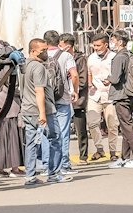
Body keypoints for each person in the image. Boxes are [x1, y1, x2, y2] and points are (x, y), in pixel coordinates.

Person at [107, 29, 133, 168]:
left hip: (121, 95)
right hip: (128, 94)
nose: (111, 43)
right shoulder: (128, 55)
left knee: (127, 127)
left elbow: (116, 78)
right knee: (126, 127)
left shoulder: (119, 57)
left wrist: (108, 79)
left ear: (119, 42)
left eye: (113, 40)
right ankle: (124, 158)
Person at [43, 29, 78, 181]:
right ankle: (63, 164)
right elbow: (74, 75)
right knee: (62, 133)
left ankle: (47, 165)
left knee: (46, 133)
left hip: (45, 99)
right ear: (59, 41)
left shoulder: (40, 56)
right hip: (62, 98)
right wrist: (74, 91)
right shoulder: (66, 55)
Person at [19, 38, 54, 187]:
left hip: (26, 108)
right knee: (55, 139)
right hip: (36, 110)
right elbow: (39, 91)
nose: (46, 52)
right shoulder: (38, 68)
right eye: (42, 50)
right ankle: (55, 173)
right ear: (33, 51)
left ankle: (30, 176)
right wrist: (43, 114)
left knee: (31, 144)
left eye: (46, 49)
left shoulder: (23, 65)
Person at [86, 32, 119, 162]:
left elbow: (118, 75)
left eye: (99, 45)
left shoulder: (114, 57)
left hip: (110, 94)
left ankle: (113, 151)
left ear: (106, 45)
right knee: (92, 123)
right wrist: (89, 82)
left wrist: (111, 81)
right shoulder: (91, 58)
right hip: (95, 94)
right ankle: (99, 149)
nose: (96, 48)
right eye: (94, 45)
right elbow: (90, 73)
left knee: (112, 124)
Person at [61, 32, 90, 164]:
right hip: (63, 98)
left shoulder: (80, 59)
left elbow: (82, 79)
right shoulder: (61, 58)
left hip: (78, 99)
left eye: (61, 45)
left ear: (68, 46)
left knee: (80, 130)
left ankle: (83, 156)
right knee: (63, 131)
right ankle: (63, 157)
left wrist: (74, 89)